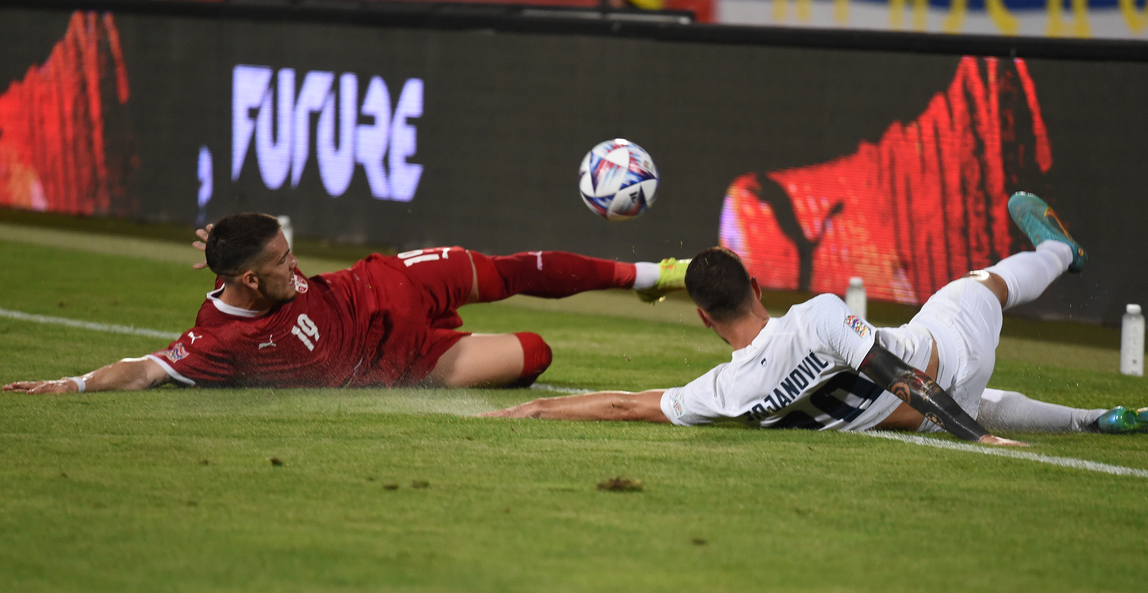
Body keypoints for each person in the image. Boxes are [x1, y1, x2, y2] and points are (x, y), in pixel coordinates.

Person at [483, 193, 1148, 440]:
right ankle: (1060, 252)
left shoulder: (724, 392)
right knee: (985, 284)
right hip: (946, 355)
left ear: (702, 318)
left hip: (931, 411)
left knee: (984, 400)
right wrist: (976, 435)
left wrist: (540, 412)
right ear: (756, 284)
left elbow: (627, 407)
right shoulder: (816, 316)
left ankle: (1096, 417)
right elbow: (892, 365)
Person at [3, 213, 689, 394]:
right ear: (246, 283)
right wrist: (72, 382)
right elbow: (144, 368)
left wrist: (233, 239)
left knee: (511, 270)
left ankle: (651, 273)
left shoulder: (266, 269)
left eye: (290, 251)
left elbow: (250, 248)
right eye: (280, 265)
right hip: (416, 360)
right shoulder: (220, 342)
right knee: (536, 351)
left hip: (392, 283)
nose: (298, 270)